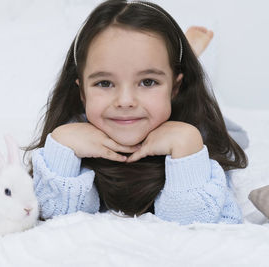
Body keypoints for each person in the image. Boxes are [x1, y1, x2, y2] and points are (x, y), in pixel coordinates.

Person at [25, 0, 248, 225]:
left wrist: (187, 147)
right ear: (82, 92)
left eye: (148, 81)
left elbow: (209, 224)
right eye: (104, 83)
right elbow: (54, 216)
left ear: (175, 89)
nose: (125, 101)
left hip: (187, 117)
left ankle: (188, 56)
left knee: (233, 135)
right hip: (141, 113)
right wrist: (62, 147)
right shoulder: (72, 135)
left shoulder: (196, 138)